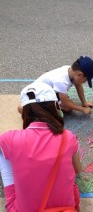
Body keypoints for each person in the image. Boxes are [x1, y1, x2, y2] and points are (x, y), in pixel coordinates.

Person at [0, 82, 82, 212]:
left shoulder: (9, 139)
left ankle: (13, 199)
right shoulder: (68, 137)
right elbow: (78, 169)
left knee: (2, 152)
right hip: (65, 209)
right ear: (56, 106)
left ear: (25, 111)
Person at [17, 56, 93, 115]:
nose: (84, 82)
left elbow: (78, 85)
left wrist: (84, 102)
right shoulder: (61, 81)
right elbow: (65, 102)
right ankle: (35, 109)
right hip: (37, 94)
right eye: (85, 80)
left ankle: (52, 106)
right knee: (22, 108)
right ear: (80, 75)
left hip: (49, 92)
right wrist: (83, 109)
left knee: (68, 108)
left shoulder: (71, 70)